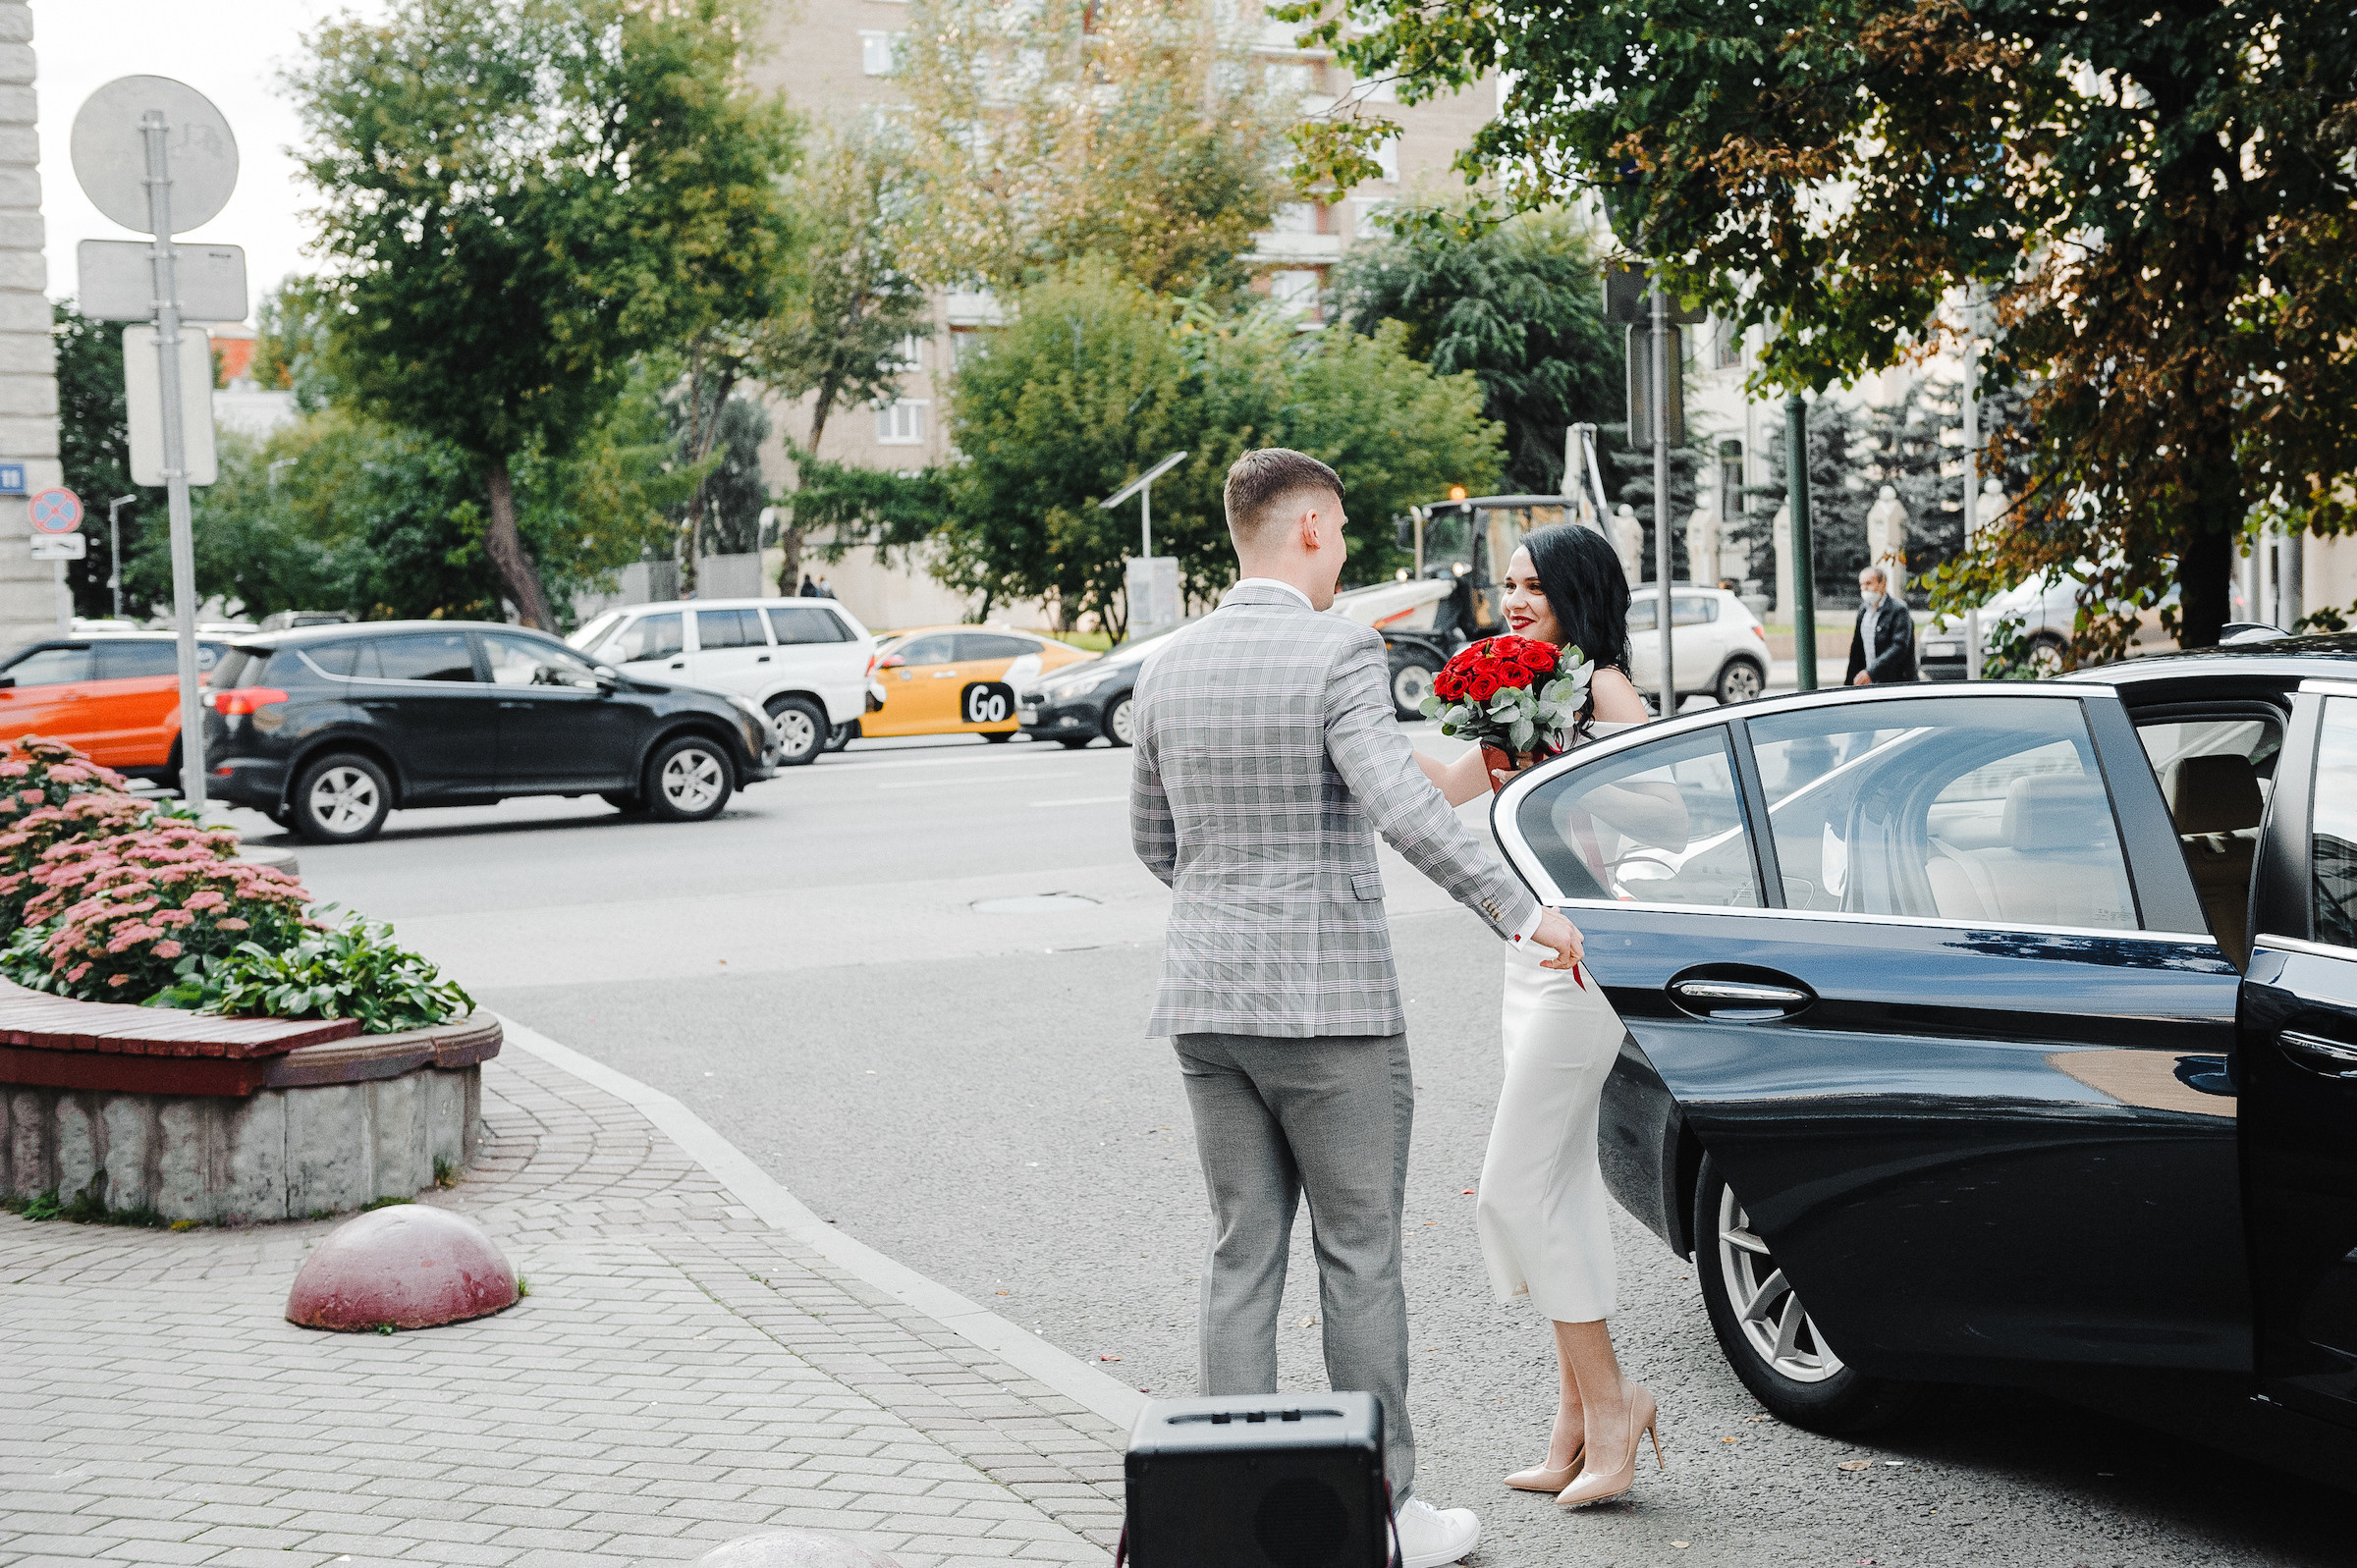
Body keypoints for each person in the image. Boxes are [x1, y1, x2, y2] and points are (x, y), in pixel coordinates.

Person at [1129, 449, 1584, 1568]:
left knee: (1242, 1252)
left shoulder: (1169, 662)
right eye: (1338, 534)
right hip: (1329, 1006)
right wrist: (1521, 910)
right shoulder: (1335, 646)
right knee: (1360, 1253)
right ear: (1311, 529)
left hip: (1206, 1000)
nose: (1342, 556)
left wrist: (1228, 903)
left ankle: (1229, 1516)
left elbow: (1153, 840)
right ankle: (1385, 1512)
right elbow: (1400, 805)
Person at [1415, 524, 1672, 1511]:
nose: (1513, 599)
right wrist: (1339, 726)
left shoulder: (1602, 687)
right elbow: (1446, 790)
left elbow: (1671, 816)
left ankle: (1615, 1404)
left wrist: (1560, 776)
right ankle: (1573, 1425)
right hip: (1525, 958)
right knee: (1560, 1186)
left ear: (1575, 591)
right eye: (1508, 584)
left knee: (1512, 1191)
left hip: (1585, 960)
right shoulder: (1517, 692)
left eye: (1533, 585)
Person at [1846, 564, 1916, 685]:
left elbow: (1899, 647)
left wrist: (1871, 672)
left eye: (1869, 583)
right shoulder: (1864, 611)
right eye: (1862, 584)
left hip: (1895, 682)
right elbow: (1857, 649)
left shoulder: (1898, 610)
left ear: (1882, 584)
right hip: (1870, 682)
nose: (1864, 588)